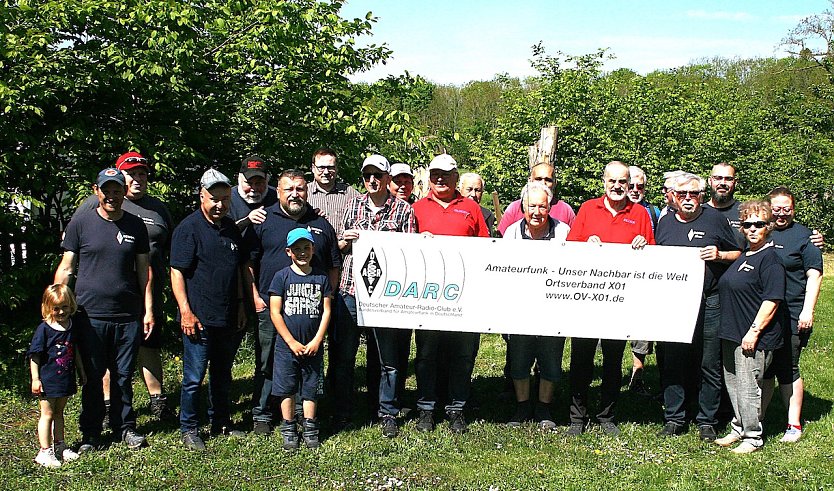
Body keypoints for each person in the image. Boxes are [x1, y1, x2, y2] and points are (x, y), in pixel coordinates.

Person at [71, 152, 174, 422]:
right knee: (108, 352)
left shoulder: (158, 209)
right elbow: (74, 241)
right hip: (106, 297)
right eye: (131, 174)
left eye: (142, 173)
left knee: (149, 344)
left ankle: (157, 400)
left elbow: (169, 246)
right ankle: (108, 406)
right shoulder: (95, 204)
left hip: (147, 290)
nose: (137, 179)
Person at [55, 167, 151, 451]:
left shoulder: (136, 225)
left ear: (124, 192)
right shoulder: (81, 223)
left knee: (123, 375)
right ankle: (91, 433)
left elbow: (144, 271)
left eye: (117, 191)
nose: (112, 196)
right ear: (96, 191)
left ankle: (125, 427)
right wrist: (54, 303)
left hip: (127, 315)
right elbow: (67, 267)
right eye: (106, 190)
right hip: (89, 315)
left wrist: (147, 309)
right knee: (93, 377)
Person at [247, 169, 340, 434]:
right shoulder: (264, 219)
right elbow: (248, 262)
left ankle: (301, 414)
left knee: (306, 360)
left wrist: (328, 296)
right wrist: (255, 296)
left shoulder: (320, 224)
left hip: (308, 309)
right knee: (268, 361)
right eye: (289, 189)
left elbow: (334, 264)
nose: (294, 194)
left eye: (300, 188)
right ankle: (263, 413)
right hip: (271, 307)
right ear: (278, 191)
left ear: (307, 191)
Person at [565, 161, 654, 437]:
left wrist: (643, 245)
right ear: (603, 182)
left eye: (622, 182)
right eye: (612, 181)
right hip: (588, 300)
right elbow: (569, 248)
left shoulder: (639, 213)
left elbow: (653, 255)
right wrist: (585, 244)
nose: (617, 186)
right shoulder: (587, 208)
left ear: (629, 184)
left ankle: (607, 416)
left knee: (613, 361)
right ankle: (577, 417)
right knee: (581, 360)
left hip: (620, 302)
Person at [654, 172, 740, 440]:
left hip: (710, 300)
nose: (688, 198)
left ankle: (707, 421)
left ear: (702, 196)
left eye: (694, 193)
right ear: (673, 197)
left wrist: (720, 254)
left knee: (709, 362)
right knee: (674, 360)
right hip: (675, 303)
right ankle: (674, 418)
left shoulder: (715, 219)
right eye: (682, 194)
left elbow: (739, 253)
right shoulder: (665, 222)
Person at [170, 169, 251, 451]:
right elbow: (177, 272)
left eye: (225, 199)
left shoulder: (230, 227)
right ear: (202, 196)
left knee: (222, 374)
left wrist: (240, 305)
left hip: (226, 315)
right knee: (194, 378)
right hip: (198, 317)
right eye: (214, 199)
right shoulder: (188, 228)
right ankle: (189, 428)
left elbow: (238, 269)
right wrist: (186, 311)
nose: (220, 205)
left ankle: (221, 422)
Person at [340, 155, 417, 438]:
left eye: (377, 175)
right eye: (367, 175)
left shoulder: (403, 210)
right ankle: (344, 410)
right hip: (351, 289)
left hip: (386, 294)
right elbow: (339, 246)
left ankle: (387, 412)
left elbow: (410, 252)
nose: (372, 180)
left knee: (388, 358)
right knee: (344, 355)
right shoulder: (352, 205)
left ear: (387, 178)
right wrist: (345, 240)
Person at [412, 154, 489, 434]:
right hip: (428, 295)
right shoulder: (416, 209)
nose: (440, 179)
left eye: (446, 174)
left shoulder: (471, 208)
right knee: (427, 354)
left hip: (465, 294)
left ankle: (456, 408)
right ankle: (426, 408)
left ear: (456, 177)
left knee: (462, 354)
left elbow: (485, 247)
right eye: (435, 174)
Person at [715, 200, 788, 454]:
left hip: (752, 336)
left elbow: (772, 300)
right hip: (731, 332)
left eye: (758, 224)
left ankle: (753, 436)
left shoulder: (771, 260)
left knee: (748, 387)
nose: (753, 229)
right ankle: (738, 427)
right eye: (747, 225)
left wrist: (754, 332)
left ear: (768, 227)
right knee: (733, 382)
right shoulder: (745, 254)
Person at [503, 182, 570, 430]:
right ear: (523, 207)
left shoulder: (564, 232)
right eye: (532, 206)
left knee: (551, 361)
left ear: (550, 207)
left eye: (542, 206)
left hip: (554, 309)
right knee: (519, 360)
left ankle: (544, 407)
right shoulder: (512, 233)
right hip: (520, 309)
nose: (537, 212)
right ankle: (522, 406)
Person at [760, 187, 823, 442]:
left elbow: (814, 276)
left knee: (788, 367)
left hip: (793, 312)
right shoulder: (760, 231)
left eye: (787, 209)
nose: (781, 214)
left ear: (793, 210)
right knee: (764, 368)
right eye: (776, 209)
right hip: (763, 313)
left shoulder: (805, 237)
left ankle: (793, 424)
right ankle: (758, 419)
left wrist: (807, 311)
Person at [269, 228, 333, 450]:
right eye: (297, 249)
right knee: (286, 387)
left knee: (311, 387)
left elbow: (326, 310)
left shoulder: (321, 277)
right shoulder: (281, 277)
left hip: (313, 345)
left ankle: (310, 427)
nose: (302, 252)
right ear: (289, 252)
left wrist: (317, 340)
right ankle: (289, 428)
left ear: (313, 249)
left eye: (306, 247)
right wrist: (290, 342)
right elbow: (275, 312)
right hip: (287, 346)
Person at [29, 284, 87, 468]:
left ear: (71, 306)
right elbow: (35, 356)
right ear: (48, 307)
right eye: (56, 308)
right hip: (48, 381)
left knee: (59, 413)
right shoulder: (44, 329)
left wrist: (81, 371)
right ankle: (44, 451)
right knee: (47, 414)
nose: (61, 312)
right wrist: (35, 379)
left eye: (65, 307)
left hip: (65, 378)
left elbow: (75, 351)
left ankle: (60, 445)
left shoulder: (71, 327)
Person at [625, 165, 663, 397]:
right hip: (614, 281)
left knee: (642, 334)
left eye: (640, 186)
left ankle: (637, 378)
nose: (635, 189)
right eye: (631, 185)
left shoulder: (654, 212)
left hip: (643, 281)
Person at [497, 162, 575, 236]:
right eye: (538, 179)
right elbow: (501, 238)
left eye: (548, 180)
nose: (543, 183)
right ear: (530, 180)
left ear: (554, 183)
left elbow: (574, 240)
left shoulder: (565, 210)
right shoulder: (514, 208)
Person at [306, 147, 361, 250]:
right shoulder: (304, 193)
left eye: (330, 167)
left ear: (336, 168)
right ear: (313, 168)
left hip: (343, 254)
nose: (326, 172)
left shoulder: (351, 194)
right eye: (321, 167)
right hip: (312, 254)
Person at [229, 155, 278, 231]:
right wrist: (246, 221)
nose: (254, 188)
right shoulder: (227, 198)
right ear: (239, 180)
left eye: (259, 183)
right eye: (249, 183)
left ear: (266, 181)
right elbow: (221, 233)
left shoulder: (276, 196)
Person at [459, 172, 496, 236]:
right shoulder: (451, 212)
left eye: (477, 190)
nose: (473, 194)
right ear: (460, 190)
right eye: (469, 189)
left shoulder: (487, 215)